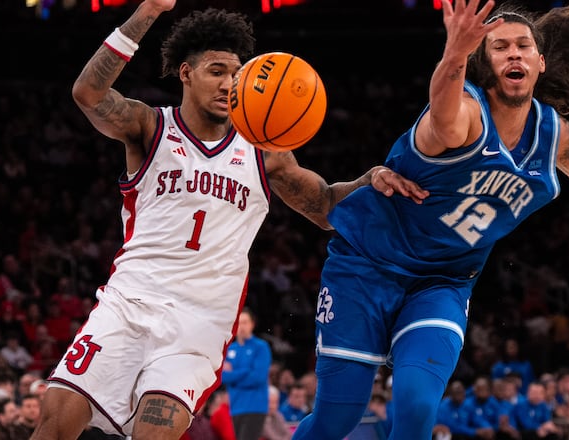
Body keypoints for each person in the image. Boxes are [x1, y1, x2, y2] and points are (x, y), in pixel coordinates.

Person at [290, 1, 569, 439]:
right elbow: (444, 118)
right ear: (485, 64)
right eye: (501, 46)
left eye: (523, 45)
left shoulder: (552, 134)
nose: (514, 53)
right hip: (368, 266)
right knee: (338, 418)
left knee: (415, 405)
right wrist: (456, 51)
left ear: (540, 62)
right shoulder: (465, 113)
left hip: (443, 282)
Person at [29, 0, 427, 439]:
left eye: (235, 75)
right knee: (53, 424)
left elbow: (326, 207)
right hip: (129, 301)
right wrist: (146, 12)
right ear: (186, 73)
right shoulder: (149, 126)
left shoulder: (264, 151)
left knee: (153, 431)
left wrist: (369, 181)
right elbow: (88, 94)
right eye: (216, 71)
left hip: (198, 323)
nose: (228, 83)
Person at [222, 308, 272, 440]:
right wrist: (245, 371)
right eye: (239, 322)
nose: (242, 326)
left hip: (255, 406)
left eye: (245, 322)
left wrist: (233, 374)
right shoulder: (230, 349)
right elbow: (222, 377)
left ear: (252, 324)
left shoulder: (261, 347)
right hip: (235, 406)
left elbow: (258, 378)